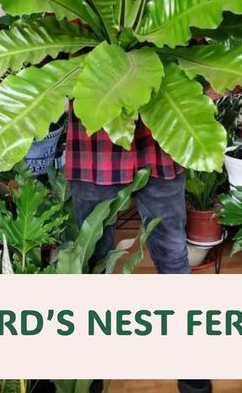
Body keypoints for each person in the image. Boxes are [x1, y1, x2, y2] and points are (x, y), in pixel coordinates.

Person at [64, 106, 212, 393]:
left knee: (173, 260)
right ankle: (88, 376)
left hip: (159, 142)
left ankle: (192, 371)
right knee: (91, 264)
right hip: (94, 146)